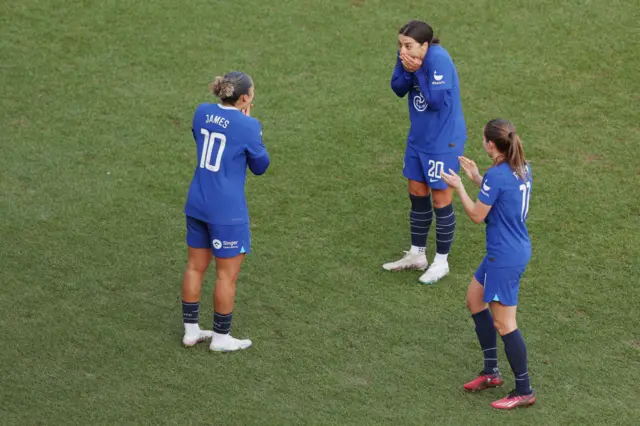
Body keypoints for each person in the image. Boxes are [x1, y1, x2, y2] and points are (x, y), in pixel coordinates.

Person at [440, 118, 535, 410]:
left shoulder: (498, 175)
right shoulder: (521, 166)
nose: (481, 141)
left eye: (483, 138)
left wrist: (459, 187)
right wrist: (478, 179)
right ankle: (491, 372)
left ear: (491, 144)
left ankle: (524, 389)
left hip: (503, 255)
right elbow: (502, 197)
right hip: (511, 249)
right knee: (474, 300)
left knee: (504, 323)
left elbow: (478, 215)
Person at [180, 71, 270, 352]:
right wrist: (252, 129)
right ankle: (221, 337)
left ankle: (191, 331)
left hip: (197, 201)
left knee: (195, 266)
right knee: (225, 275)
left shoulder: (201, 111)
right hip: (227, 211)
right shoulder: (249, 126)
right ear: (244, 98)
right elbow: (260, 167)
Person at [383, 20, 467, 284]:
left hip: (443, 142)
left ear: (425, 45)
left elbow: (436, 101)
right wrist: (408, 70)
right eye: (400, 45)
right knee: (417, 193)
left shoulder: (439, 60)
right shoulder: (408, 58)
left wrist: (417, 72)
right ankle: (417, 254)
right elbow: (397, 88)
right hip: (419, 139)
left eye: (408, 45)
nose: (402, 50)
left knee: (441, 200)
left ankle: (441, 262)